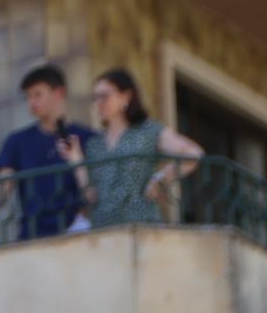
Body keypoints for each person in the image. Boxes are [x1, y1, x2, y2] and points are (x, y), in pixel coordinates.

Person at [58, 67, 203, 228]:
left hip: (142, 226)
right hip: (103, 231)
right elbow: (91, 196)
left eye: (104, 96)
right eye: (95, 98)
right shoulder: (95, 144)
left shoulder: (148, 131)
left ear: (125, 96)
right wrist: (76, 159)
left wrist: (161, 179)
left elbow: (193, 153)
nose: (99, 103)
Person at [0, 63, 97, 239]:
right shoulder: (17, 141)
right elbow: (4, 185)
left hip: (78, 235)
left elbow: (97, 191)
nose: (31, 102)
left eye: (38, 95)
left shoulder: (88, 138)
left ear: (58, 93)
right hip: (32, 236)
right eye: (28, 97)